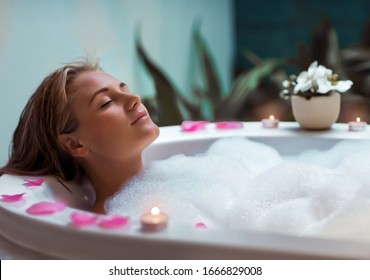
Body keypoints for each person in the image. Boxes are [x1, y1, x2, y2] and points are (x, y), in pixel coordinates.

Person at [0, 60, 160, 213]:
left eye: (125, 90)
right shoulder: (104, 232)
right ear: (75, 144)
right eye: (106, 102)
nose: (135, 99)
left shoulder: (171, 186)